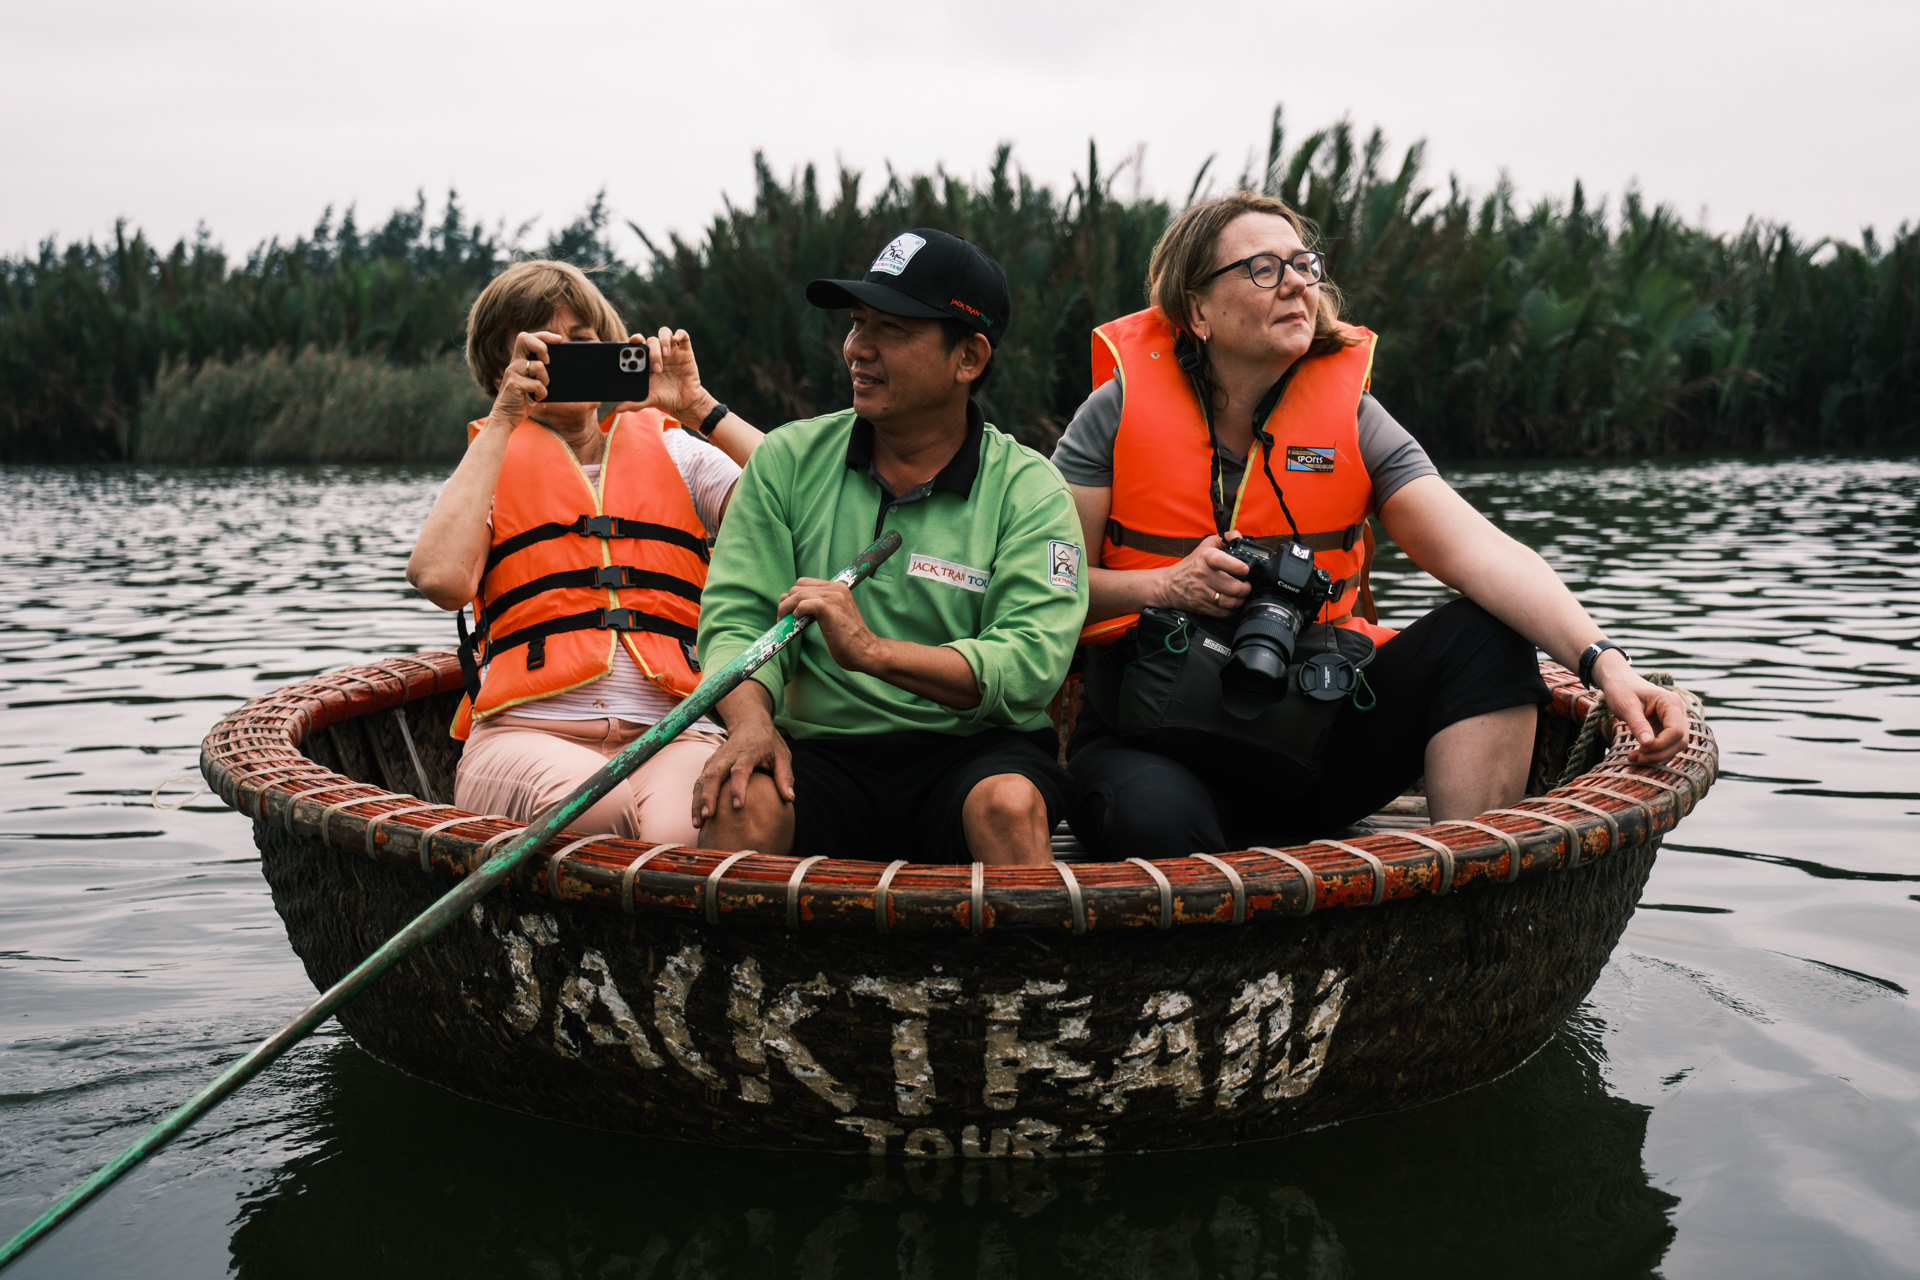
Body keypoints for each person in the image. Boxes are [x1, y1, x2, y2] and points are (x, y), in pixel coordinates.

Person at [1051, 191, 1690, 858]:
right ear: (1196, 311)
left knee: (1489, 633)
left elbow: (1484, 554)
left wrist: (1608, 668)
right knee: (1151, 820)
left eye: (1303, 263)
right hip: (1155, 739)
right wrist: (1165, 588)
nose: (1297, 281)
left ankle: (1465, 895)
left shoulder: (1353, 417)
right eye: (1263, 268)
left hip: (1309, 732)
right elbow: (1045, 580)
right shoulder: (1117, 411)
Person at [691, 229, 1089, 866]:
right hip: (820, 750)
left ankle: (1029, 971)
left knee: (1010, 806)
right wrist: (750, 723)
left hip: (973, 750)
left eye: (893, 329)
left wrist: (872, 652)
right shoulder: (786, 461)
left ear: (970, 358)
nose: (858, 349)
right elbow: (737, 622)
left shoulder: (1031, 490)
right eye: (856, 323)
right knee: (742, 800)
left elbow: (1029, 665)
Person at [406, 259, 761, 844]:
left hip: (670, 733)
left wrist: (698, 407)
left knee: (687, 833)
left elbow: (803, 509)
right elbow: (441, 579)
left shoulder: (678, 452)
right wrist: (504, 417)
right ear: (503, 370)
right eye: (544, 347)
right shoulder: (488, 466)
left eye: (581, 342)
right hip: (524, 735)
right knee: (596, 809)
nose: (564, 356)